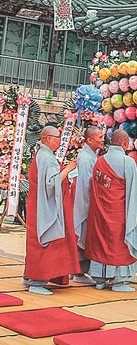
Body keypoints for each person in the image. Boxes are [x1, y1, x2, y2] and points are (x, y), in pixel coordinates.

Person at [85, 128, 137, 292]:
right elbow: (134, 190)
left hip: (101, 211)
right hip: (120, 212)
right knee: (119, 243)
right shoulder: (128, 162)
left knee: (102, 242)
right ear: (125, 143)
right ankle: (119, 281)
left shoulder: (100, 161)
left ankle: (100, 279)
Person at [23, 125, 79, 295]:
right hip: (44, 207)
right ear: (47, 138)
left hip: (38, 205)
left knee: (36, 240)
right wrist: (68, 169)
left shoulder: (43, 155)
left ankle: (31, 276)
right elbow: (51, 183)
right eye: (57, 138)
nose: (60, 141)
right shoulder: (46, 158)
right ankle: (36, 280)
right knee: (45, 240)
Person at [72, 125, 104, 285]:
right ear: (90, 140)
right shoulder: (85, 158)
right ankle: (78, 272)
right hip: (84, 202)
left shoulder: (90, 155)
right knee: (82, 235)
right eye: (100, 136)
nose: (102, 139)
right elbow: (85, 185)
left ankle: (78, 271)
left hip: (87, 201)